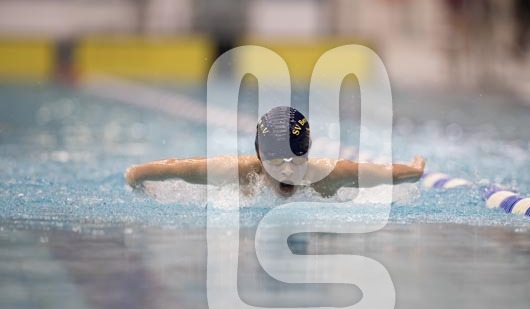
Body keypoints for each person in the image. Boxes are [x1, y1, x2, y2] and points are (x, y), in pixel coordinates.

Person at [125, 106, 426, 198]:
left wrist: (414, 171)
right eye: (277, 161)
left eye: (296, 161)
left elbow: (384, 173)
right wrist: (137, 175)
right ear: (259, 156)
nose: (287, 170)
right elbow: (178, 168)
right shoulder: (240, 172)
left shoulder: (329, 175)